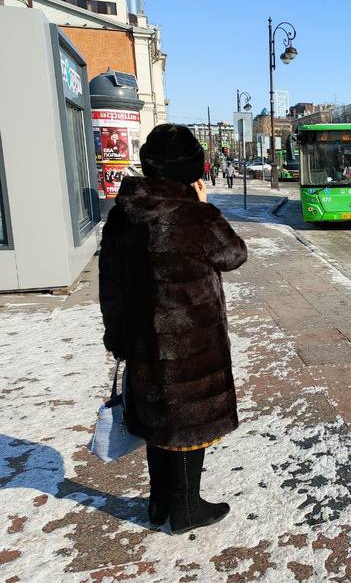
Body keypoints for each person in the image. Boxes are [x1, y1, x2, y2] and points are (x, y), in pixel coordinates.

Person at [99, 124, 247, 535]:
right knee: (188, 423)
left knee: (158, 421)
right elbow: (234, 254)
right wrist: (205, 206)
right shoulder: (190, 214)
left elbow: (109, 281)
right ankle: (186, 509)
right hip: (190, 343)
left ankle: (159, 501)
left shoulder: (124, 213)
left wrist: (116, 335)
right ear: (188, 168)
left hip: (142, 341)